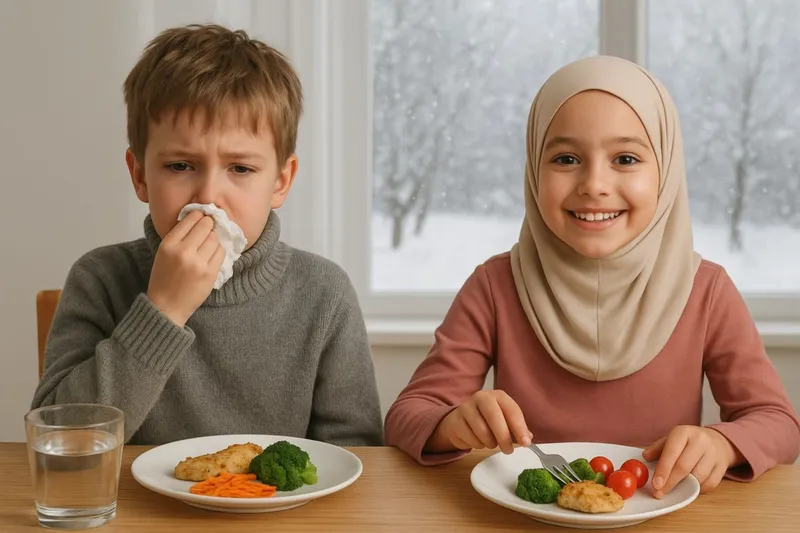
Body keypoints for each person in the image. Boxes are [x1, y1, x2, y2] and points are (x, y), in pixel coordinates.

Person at [384, 55, 799, 498]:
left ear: (666, 171)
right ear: (532, 169)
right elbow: (407, 416)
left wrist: (723, 442)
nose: (594, 184)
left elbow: (779, 424)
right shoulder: (495, 285)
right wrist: (452, 425)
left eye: (625, 158)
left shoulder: (706, 290)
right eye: (565, 158)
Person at [32, 24, 383, 447]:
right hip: (137, 514)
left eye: (241, 168)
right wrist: (163, 311)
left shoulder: (324, 293)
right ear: (139, 175)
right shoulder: (100, 278)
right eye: (180, 166)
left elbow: (357, 452)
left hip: (280, 515)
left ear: (280, 182)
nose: (209, 195)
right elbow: (63, 440)